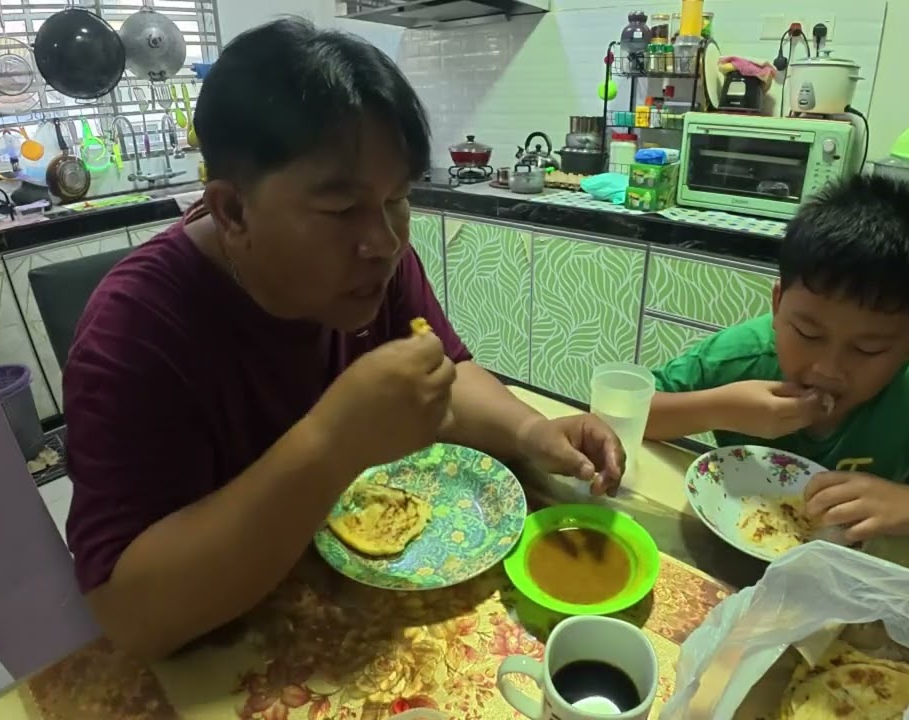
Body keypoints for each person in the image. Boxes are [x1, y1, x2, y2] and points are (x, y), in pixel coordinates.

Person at [61, 18, 624, 659]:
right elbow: (129, 615)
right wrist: (333, 441)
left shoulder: (372, 263)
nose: (383, 242)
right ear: (233, 211)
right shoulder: (135, 331)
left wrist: (530, 431)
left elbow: (442, 372)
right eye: (340, 209)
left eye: (397, 199)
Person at [645, 175, 909, 579]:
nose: (828, 367)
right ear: (778, 303)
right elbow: (625, 413)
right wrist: (719, 408)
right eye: (807, 333)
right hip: (721, 561)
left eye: (868, 349)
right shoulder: (744, 356)